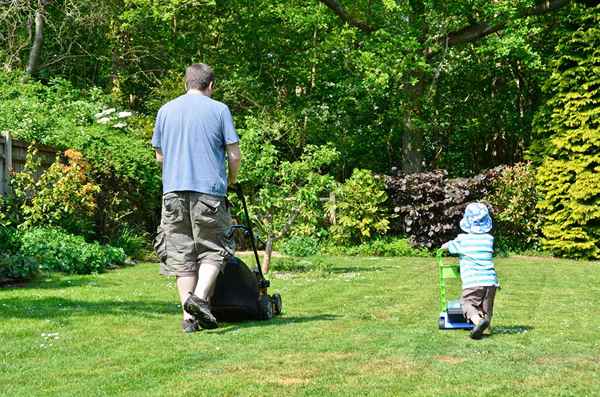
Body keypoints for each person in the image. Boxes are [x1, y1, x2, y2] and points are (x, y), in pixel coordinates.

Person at [152, 63, 242, 333]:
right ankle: (200, 299)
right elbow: (234, 154)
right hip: (209, 193)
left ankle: (188, 319)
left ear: (186, 83)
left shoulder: (165, 111)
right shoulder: (219, 110)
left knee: (182, 254)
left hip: (173, 192)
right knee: (213, 250)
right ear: (211, 85)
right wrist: (231, 180)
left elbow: (159, 156)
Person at [441, 202, 499, 339]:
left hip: (473, 281)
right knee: (487, 307)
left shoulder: (463, 240)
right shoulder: (488, 239)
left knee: (467, 303)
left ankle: (478, 322)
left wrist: (444, 247)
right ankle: (487, 327)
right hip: (491, 281)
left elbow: (450, 246)